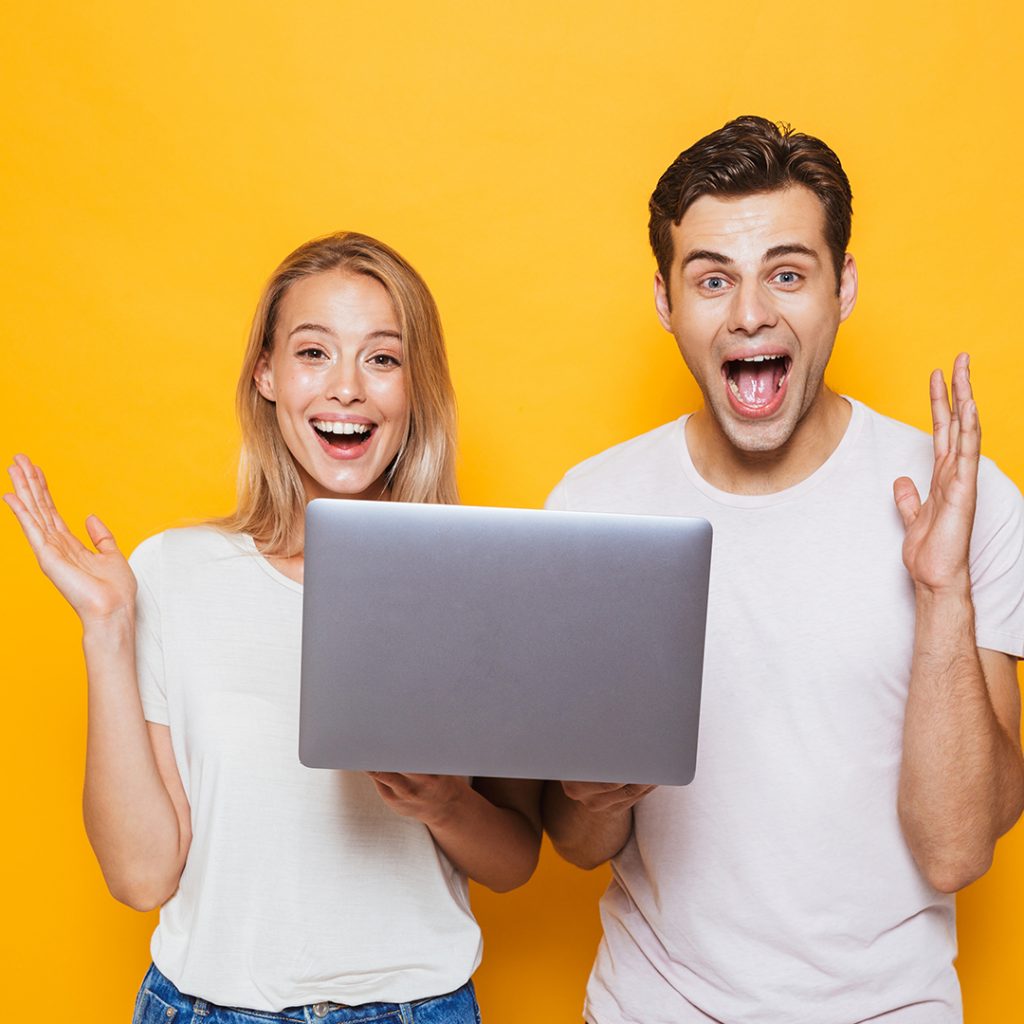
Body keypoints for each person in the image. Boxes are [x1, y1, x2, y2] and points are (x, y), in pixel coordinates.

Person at [541, 117, 1024, 1023]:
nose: (751, 313)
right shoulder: (592, 504)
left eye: (788, 275)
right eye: (713, 279)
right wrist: (592, 794)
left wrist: (942, 597)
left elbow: (958, 850)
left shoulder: (962, 496)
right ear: (665, 300)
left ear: (842, 288)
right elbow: (576, 842)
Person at [5, 231, 542, 1024]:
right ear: (266, 374)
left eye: (383, 359)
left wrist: (444, 805)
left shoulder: (478, 583)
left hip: (415, 1008)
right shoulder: (173, 574)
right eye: (314, 353)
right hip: (208, 1008)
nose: (348, 388)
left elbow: (516, 862)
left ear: (415, 388)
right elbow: (142, 877)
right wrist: (108, 630)